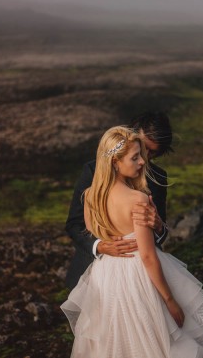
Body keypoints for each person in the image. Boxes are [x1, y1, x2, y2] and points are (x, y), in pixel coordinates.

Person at [61, 126, 203, 358]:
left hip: (106, 277)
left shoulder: (91, 197)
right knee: (160, 340)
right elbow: (147, 255)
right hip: (139, 275)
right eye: (135, 157)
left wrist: (156, 226)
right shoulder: (138, 199)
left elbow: (98, 231)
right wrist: (170, 300)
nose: (143, 162)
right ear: (115, 162)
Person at [64, 111, 173, 290]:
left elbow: (160, 234)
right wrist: (100, 246)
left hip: (141, 279)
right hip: (93, 275)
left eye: (153, 153)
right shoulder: (92, 170)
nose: (145, 157)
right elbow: (74, 224)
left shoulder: (159, 177)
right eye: (143, 147)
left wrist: (160, 227)